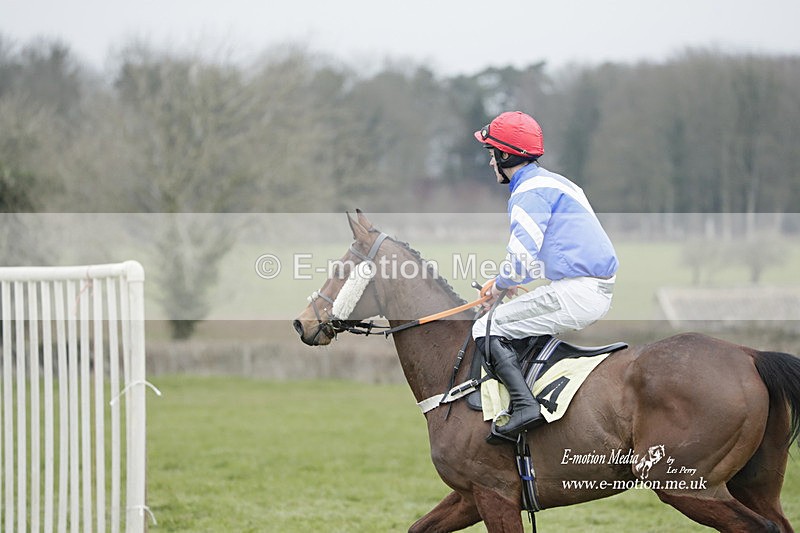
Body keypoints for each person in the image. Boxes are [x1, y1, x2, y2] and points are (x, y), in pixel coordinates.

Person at [473, 111, 618, 443]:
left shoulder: (527, 194)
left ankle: (525, 407)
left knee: (487, 327)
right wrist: (514, 283)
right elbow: (563, 244)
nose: (491, 163)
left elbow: (521, 259)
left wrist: (499, 285)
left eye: (492, 153)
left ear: (506, 155)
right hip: (587, 286)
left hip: (578, 292)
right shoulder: (556, 182)